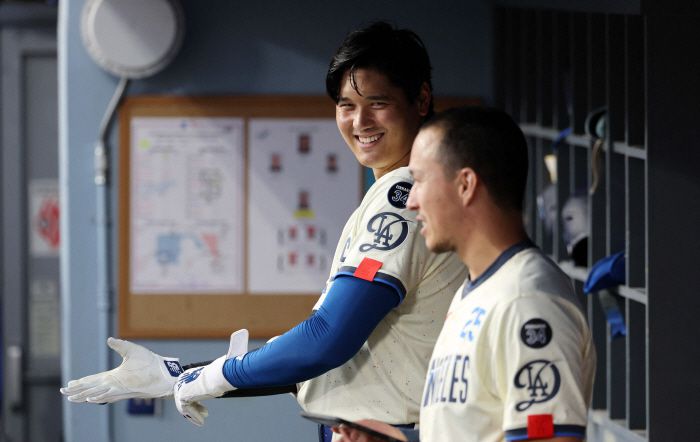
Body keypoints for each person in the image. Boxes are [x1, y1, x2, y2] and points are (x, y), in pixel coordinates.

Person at [60, 22, 467, 441]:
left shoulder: (400, 198)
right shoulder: (400, 189)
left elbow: (327, 340)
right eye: (346, 105)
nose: (359, 121)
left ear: (420, 99)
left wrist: (205, 379)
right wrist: (181, 376)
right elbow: (322, 364)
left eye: (377, 103)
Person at [335, 106, 596, 442]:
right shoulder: (474, 290)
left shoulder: (526, 301)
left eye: (419, 180)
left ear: (466, 185)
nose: (411, 200)